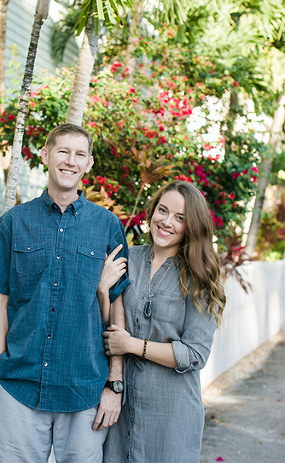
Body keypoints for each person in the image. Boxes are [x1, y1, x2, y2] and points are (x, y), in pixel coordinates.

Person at [0, 123, 130, 463]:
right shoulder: (14, 222)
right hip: (21, 385)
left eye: (80, 154)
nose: (70, 161)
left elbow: (118, 307)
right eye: (63, 151)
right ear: (46, 155)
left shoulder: (107, 226)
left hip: (84, 388)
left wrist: (114, 384)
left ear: (89, 163)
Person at [100, 180, 226, 463]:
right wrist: (102, 291)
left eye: (180, 218)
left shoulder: (199, 277)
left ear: (191, 226)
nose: (167, 222)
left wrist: (131, 345)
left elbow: (194, 354)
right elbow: (107, 327)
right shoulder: (128, 258)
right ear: (152, 210)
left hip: (172, 417)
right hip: (122, 409)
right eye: (163, 210)